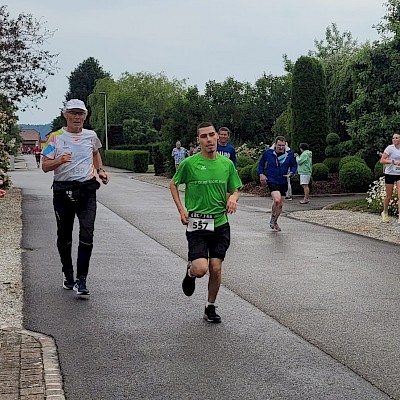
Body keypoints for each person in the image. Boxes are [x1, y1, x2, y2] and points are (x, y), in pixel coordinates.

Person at [169, 122, 242, 323]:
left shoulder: (226, 164)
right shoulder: (189, 164)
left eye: (211, 135)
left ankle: (210, 306)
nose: (209, 139)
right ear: (198, 140)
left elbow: (235, 189)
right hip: (197, 224)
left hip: (220, 223)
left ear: (217, 136)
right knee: (201, 269)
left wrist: (233, 198)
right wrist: (181, 210)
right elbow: (173, 184)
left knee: (216, 268)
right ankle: (190, 273)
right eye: (204, 136)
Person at [41, 99, 110, 296]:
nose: (77, 117)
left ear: (85, 116)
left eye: (80, 113)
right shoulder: (55, 137)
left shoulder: (91, 136)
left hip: (86, 189)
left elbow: (95, 153)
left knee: (87, 233)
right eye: (73, 113)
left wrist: (100, 170)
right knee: (64, 236)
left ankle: (82, 279)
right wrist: (59, 160)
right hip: (63, 190)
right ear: (66, 115)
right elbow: (45, 166)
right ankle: (68, 274)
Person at [257, 136, 297, 231]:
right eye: (279, 145)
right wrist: (261, 174)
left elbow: (294, 165)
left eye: (283, 145)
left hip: (283, 180)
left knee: (280, 205)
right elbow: (261, 164)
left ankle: (274, 220)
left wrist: (291, 172)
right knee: (277, 200)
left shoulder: (289, 154)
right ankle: (273, 219)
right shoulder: (268, 153)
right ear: (275, 144)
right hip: (272, 179)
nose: (281, 147)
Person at [379, 133, 400, 223]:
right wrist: (393, 161)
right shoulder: (389, 148)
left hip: (399, 173)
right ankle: (385, 212)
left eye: (396, 138)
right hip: (390, 173)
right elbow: (382, 160)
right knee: (389, 196)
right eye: (393, 138)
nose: (394, 139)